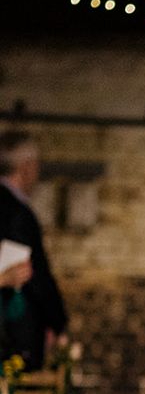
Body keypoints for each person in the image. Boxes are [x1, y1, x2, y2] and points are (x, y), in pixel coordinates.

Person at [0, 129, 68, 370]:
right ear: (26, 167)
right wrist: (57, 322)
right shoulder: (16, 212)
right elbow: (34, 275)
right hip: (13, 331)